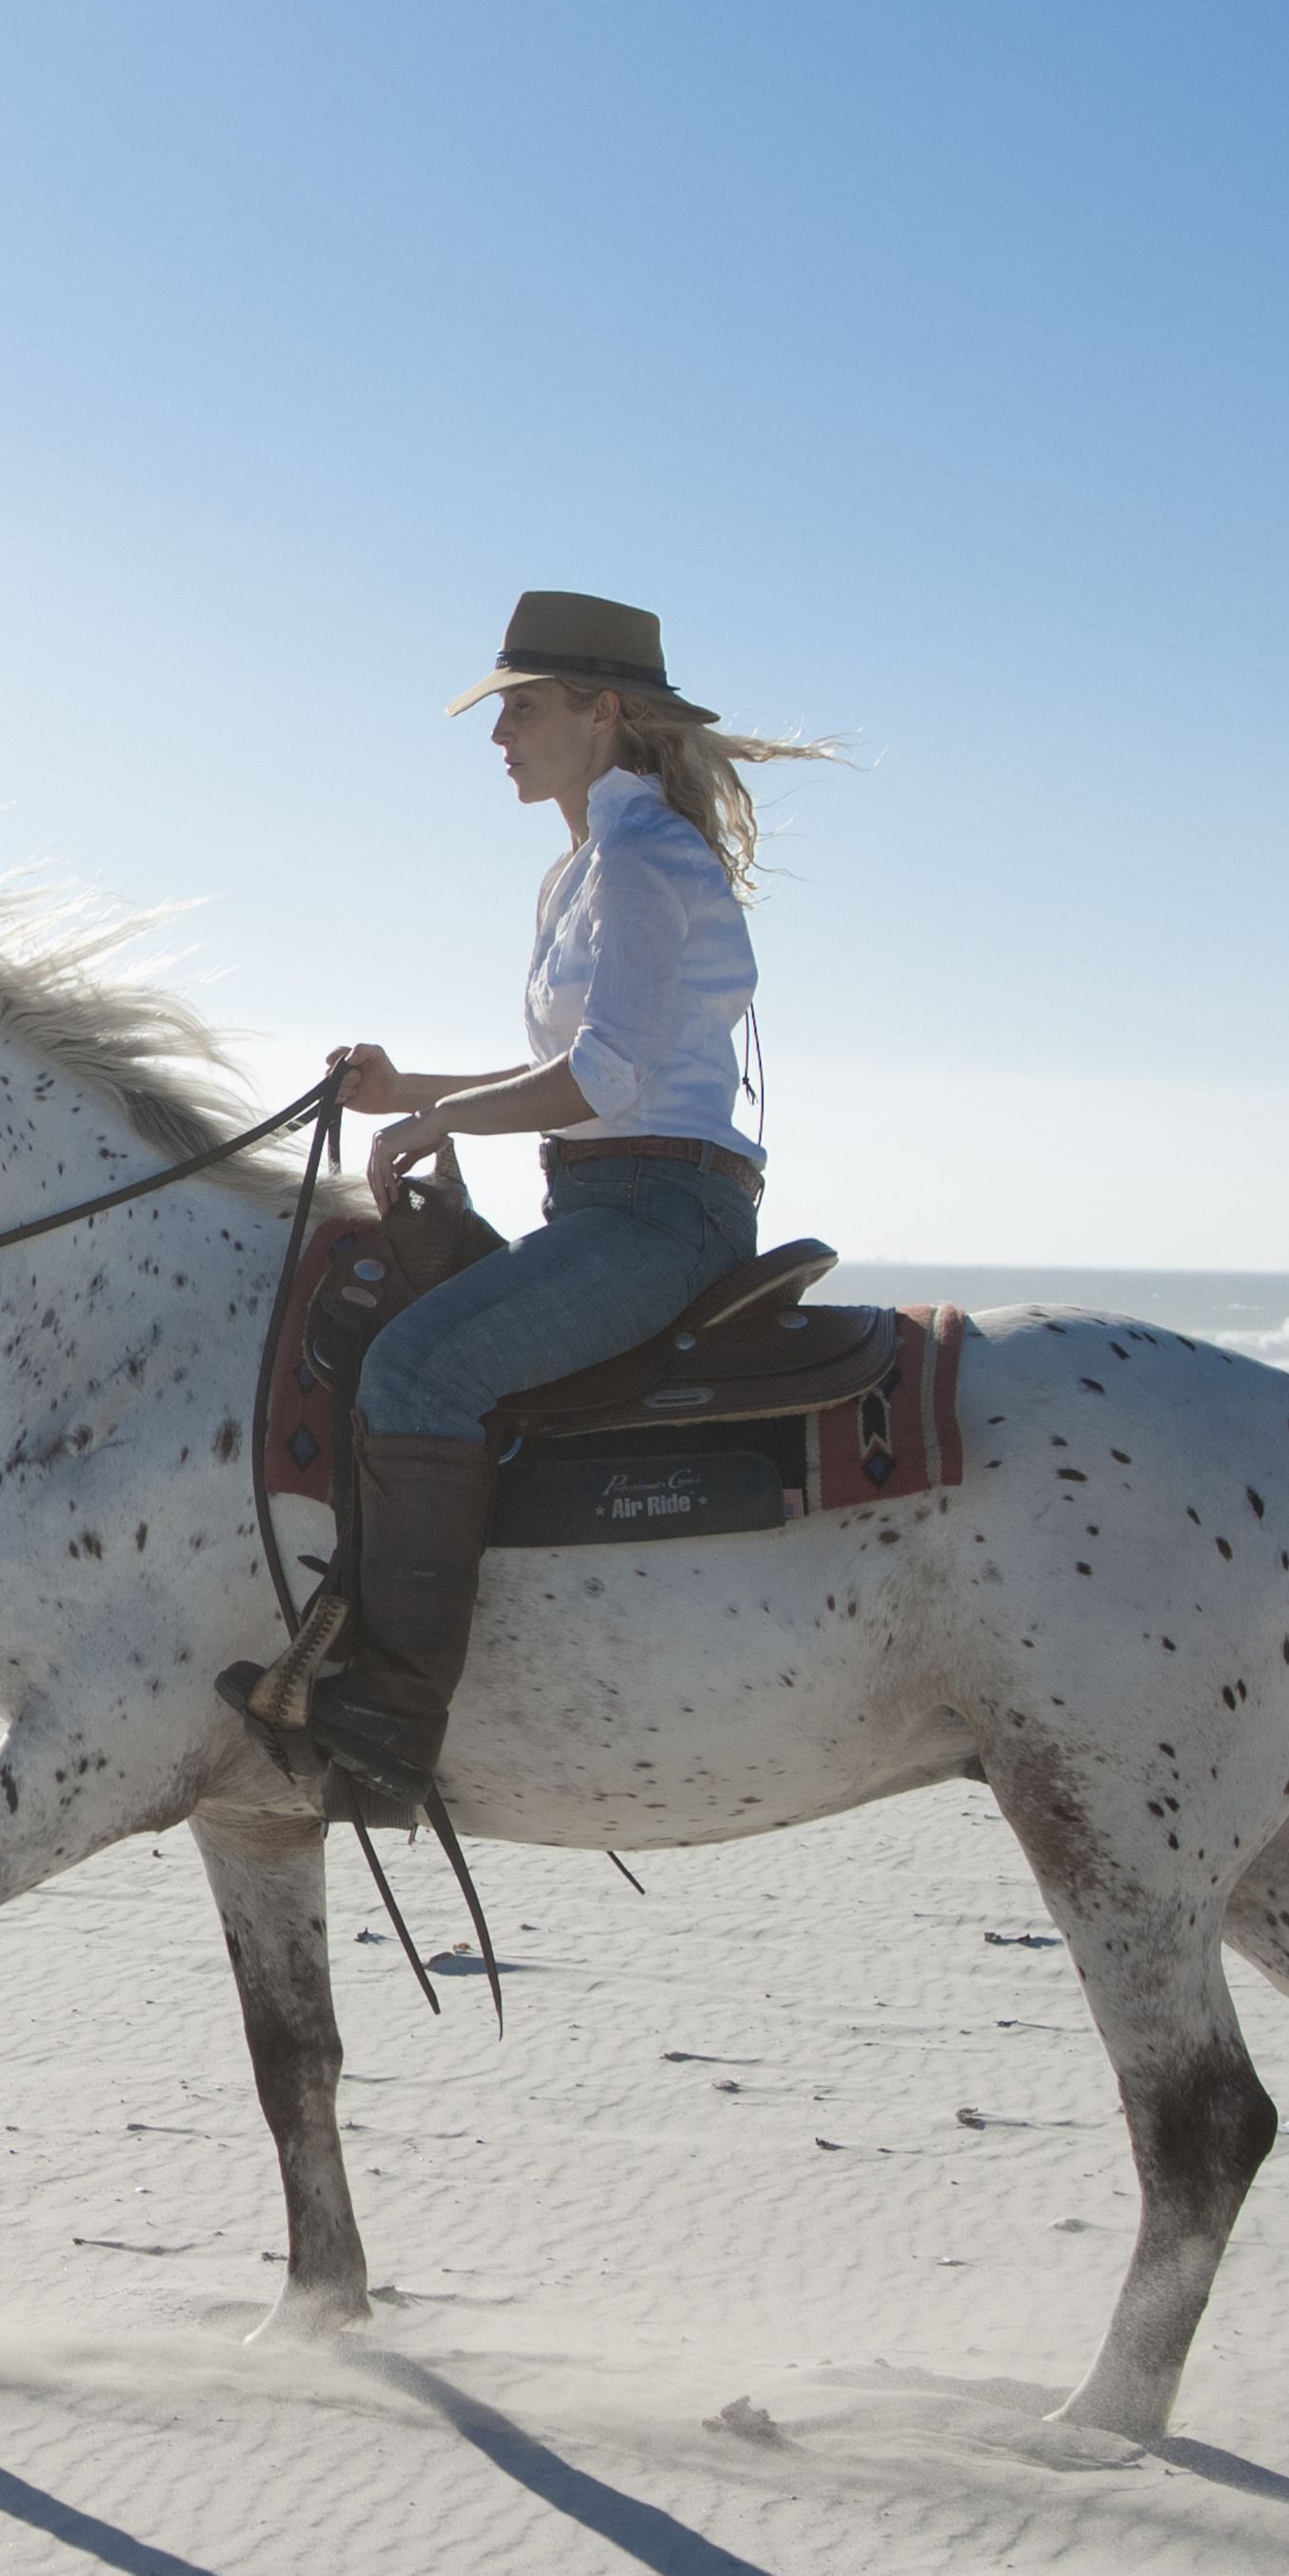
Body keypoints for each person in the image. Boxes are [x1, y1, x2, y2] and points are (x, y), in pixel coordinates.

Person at [300, 590, 842, 1822]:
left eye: (524, 710)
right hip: (602, 1196)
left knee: (417, 1370)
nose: (499, 738)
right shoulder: (578, 873)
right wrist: (409, 1087)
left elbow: (606, 1077)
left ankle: (390, 1719)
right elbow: (580, 1084)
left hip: (660, 1214)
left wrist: (437, 1120)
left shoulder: (648, 862)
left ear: (602, 713)